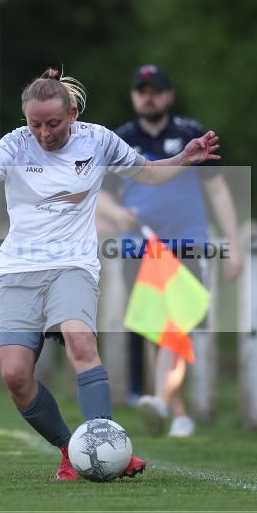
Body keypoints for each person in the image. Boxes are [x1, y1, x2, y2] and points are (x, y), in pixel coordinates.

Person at [0, 68, 222, 480]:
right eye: (34, 123)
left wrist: (182, 159)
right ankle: (68, 450)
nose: (43, 133)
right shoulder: (13, 146)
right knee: (16, 375)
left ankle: (108, 446)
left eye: (53, 123)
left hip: (73, 265)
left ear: (72, 114)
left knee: (79, 339)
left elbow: (147, 172)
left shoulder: (98, 139)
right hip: (18, 270)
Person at [98, 64, 242, 438]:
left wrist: (235, 242)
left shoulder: (191, 134)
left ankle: (163, 401)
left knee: (177, 325)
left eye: (156, 89)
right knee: (156, 328)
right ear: (133, 96)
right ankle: (172, 408)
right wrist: (118, 214)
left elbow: (218, 190)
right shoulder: (119, 140)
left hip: (186, 244)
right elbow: (100, 197)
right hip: (138, 248)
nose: (149, 96)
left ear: (169, 95)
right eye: (142, 90)